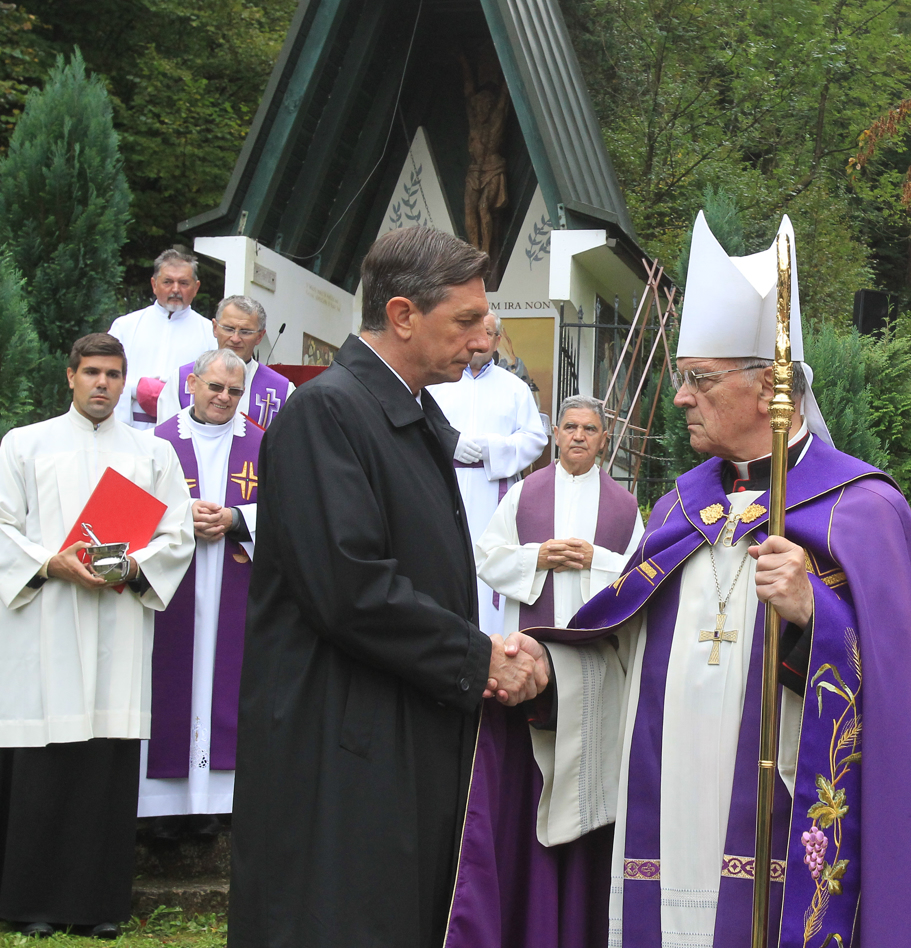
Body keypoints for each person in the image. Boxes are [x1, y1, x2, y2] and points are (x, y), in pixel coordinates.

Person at [442, 212, 911, 948]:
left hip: (787, 837)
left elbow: (903, 700)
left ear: (769, 389)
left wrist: (819, 614)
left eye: (698, 380)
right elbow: (626, 658)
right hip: (663, 828)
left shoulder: (863, 511)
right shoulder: (681, 506)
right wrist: (553, 672)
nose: (682, 397)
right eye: (682, 379)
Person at [228, 226, 549, 948]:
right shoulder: (328, 414)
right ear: (403, 315)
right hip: (337, 739)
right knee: (339, 916)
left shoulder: (404, 412)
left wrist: (481, 647)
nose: (480, 339)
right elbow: (350, 586)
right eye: (465, 321)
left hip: (395, 721)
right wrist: (477, 658)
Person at [0, 333, 194, 938]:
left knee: (102, 767)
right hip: (45, 621)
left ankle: (97, 908)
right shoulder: (24, 445)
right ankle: (28, 903)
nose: (102, 384)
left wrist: (135, 566)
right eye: (91, 372)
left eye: (113, 374)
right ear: (70, 376)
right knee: (40, 764)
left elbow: (177, 534)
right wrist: (49, 563)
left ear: (124, 380)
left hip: (116, 625)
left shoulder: (151, 453)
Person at [140, 349, 263, 837]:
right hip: (177, 585)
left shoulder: (263, 443)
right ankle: (159, 809)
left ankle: (220, 802)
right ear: (192, 384)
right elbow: (135, 513)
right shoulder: (156, 443)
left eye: (235, 391)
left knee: (227, 679)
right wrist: (179, 517)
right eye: (215, 387)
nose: (224, 398)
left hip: (235, 583)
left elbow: (290, 508)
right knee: (172, 679)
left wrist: (238, 519)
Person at [476, 394, 644, 633]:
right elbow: (486, 559)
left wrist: (595, 559)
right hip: (529, 637)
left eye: (589, 429)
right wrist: (536, 558)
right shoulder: (522, 493)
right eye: (570, 427)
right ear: (556, 434)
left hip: (594, 639)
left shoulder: (624, 506)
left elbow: (642, 574)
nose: (578, 436)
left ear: (604, 440)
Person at [427, 310, 547, 637]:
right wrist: (450, 443)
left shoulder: (515, 388)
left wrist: (492, 450)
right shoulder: (438, 382)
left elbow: (535, 438)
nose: (479, 343)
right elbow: (417, 425)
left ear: (497, 341)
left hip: (494, 490)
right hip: (442, 484)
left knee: (489, 566)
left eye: (488, 335)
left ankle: (490, 643)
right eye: (473, 333)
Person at [108, 249, 216, 429]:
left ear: (196, 287)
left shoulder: (210, 334)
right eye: (167, 282)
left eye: (183, 283)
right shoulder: (125, 327)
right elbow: (105, 373)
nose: (175, 289)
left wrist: (171, 393)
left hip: (182, 430)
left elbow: (215, 385)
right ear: (154, 284)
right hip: (130, 427)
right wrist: (137, 389)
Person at [156, 294, 295, 429]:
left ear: (259, 337)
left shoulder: (282, 391)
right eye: (229, 329)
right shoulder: (181, 380)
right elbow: (165, 439)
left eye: (245, 332)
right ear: (215, 328)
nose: (235, 338)